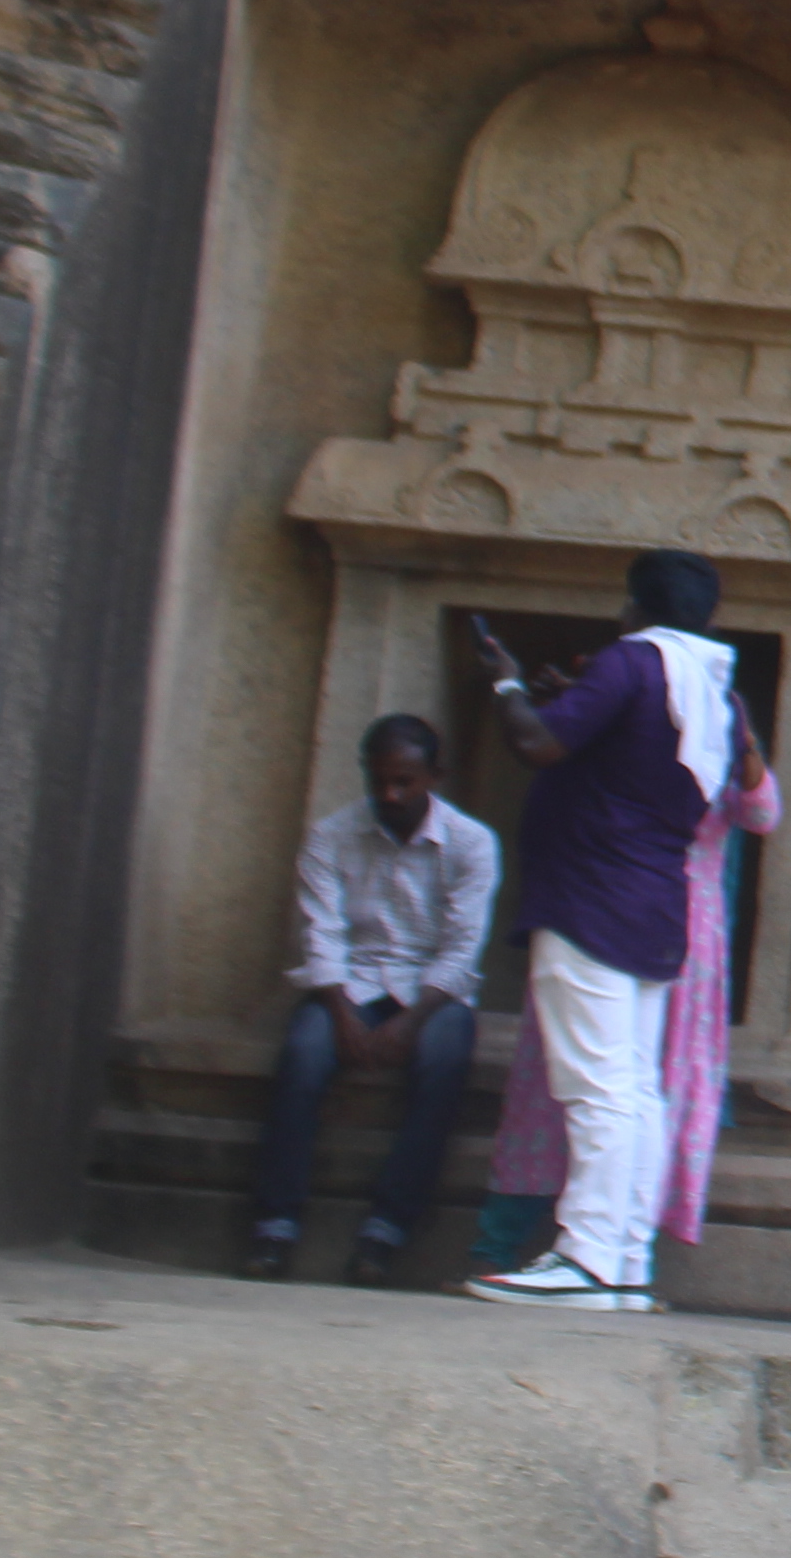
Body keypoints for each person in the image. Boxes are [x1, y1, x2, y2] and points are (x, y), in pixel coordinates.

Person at [463, 556, 750, 1310]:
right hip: (656, 906)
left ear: (635, 607)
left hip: (590, 898)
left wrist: (505, 680)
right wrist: (579, 701)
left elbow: (536, 743)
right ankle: (623, 1263)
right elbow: (635, 751)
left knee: (597, 1089)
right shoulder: (715, 689)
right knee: (635, 1093)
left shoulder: (634, 661)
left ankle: (584, 1257)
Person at [248, 714, 502, 1284]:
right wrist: (342, 1016)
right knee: (303, 1056)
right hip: (351, 984)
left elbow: (462, 952)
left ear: (434, 777)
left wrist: (409, 1024)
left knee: (445, 1062)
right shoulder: (331, 836)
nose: (391, 795)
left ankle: (386, 1230)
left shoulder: (472, 844)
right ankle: (275, 1225)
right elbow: (323, 937)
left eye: (405, 783)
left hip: (431, 993)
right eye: (380, 781)